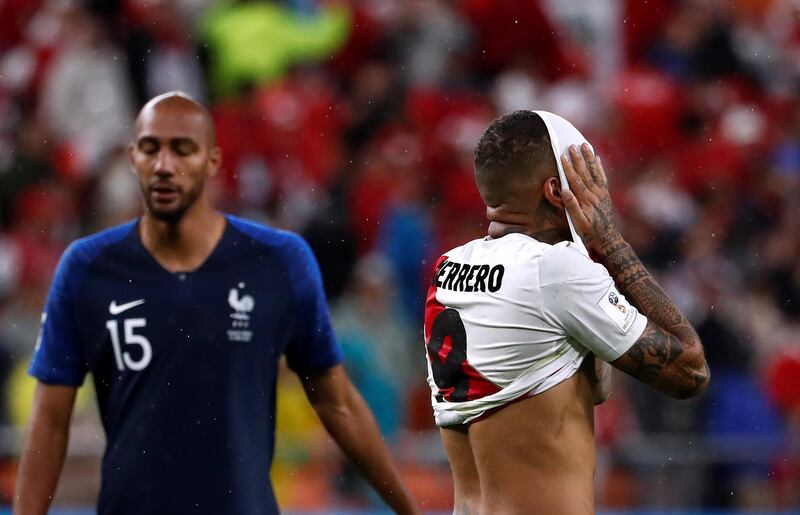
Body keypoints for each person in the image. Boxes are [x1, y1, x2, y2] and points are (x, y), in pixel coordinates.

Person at [14, 92, 420, 515]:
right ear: (133, 158)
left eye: (182, 149)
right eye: (151, 149)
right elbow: (50, 420)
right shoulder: (88, 268)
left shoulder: (278, 262)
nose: (164, 165)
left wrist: (408, 510)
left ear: (212, 161)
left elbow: (336, 402)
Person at [423, 110, 710, 514]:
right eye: (588, 178)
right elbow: (691, 372)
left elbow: (589, 384)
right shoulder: (555, 272)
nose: (598, 190)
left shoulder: (447, 268)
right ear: (556, 190)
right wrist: (609, 240)